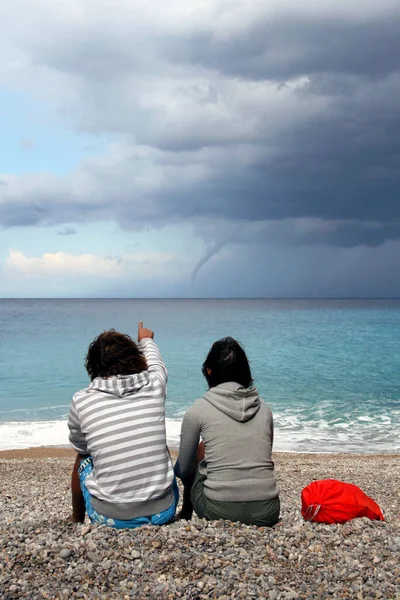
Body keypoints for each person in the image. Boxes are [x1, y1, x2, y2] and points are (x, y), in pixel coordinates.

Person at [68, 321, 178, 528]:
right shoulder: (154, 384)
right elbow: (157, 363)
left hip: (109, 518)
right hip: (163, 512)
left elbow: (81, 446)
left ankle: (76, 519)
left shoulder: (81, 400)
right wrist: (146, 339)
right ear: (136, 359)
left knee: (82, 459)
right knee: (160, 451)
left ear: (92, 366)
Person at [174, 337, 280, 526]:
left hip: (217, 510)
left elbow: (182, 469)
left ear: (209, 371)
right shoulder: (264, 409)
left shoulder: (198, 410)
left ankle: (186, 513)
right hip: (268, 510)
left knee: (199, 449)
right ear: (245, 372)